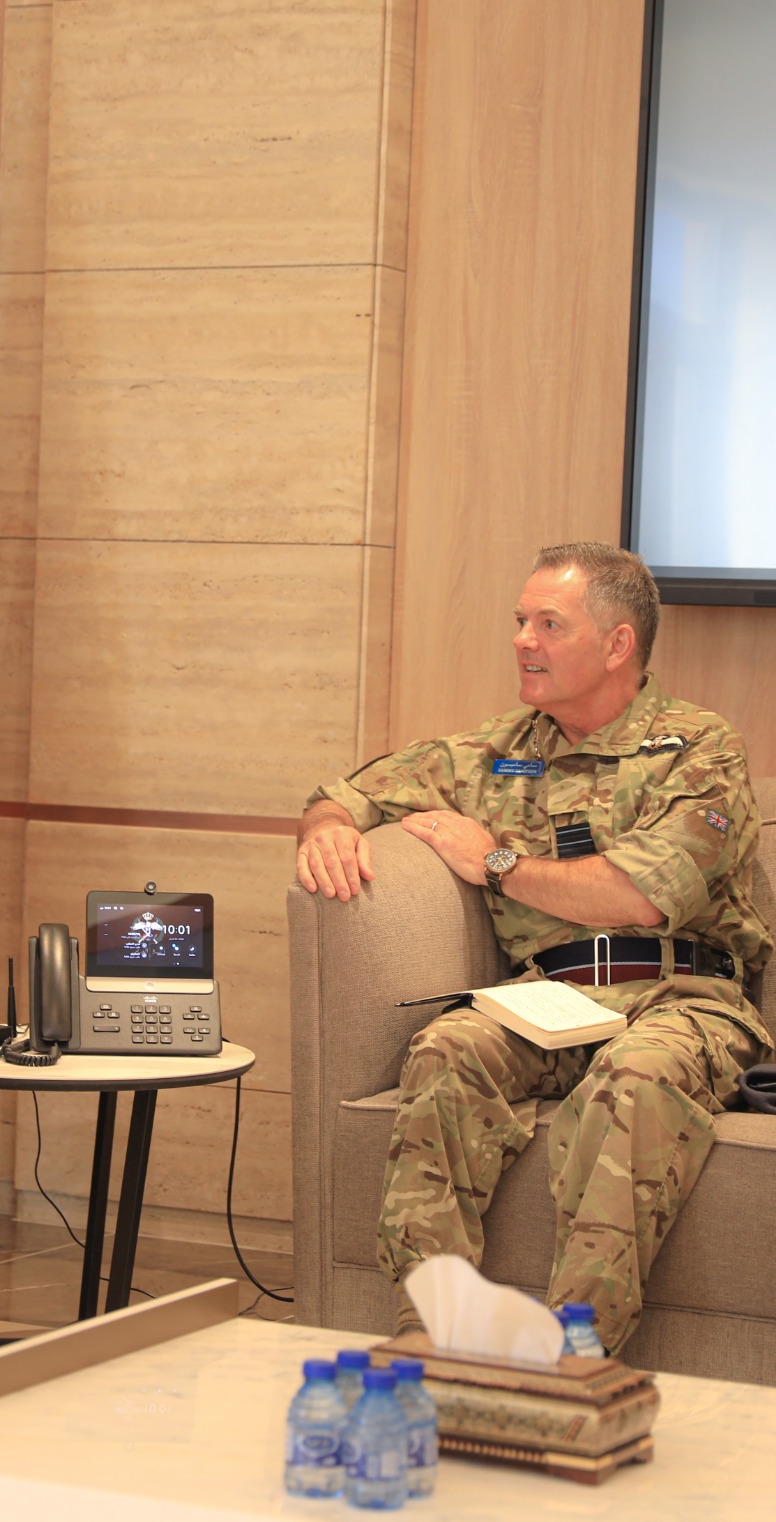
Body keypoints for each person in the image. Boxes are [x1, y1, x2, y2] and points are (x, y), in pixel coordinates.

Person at [296, 542, 772, 1356]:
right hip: (550, 1000)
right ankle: (430, 1334)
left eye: (549, 624)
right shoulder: (496, 752)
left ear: (617, 644)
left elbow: (641, 894)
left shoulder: (699, 749)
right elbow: (344, 794)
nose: (522, 640)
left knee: (636, 1077)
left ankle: (575, 1352)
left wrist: (498, 864)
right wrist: (328, 831)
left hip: (682, 998)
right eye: (521, 621)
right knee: (447, 1048)